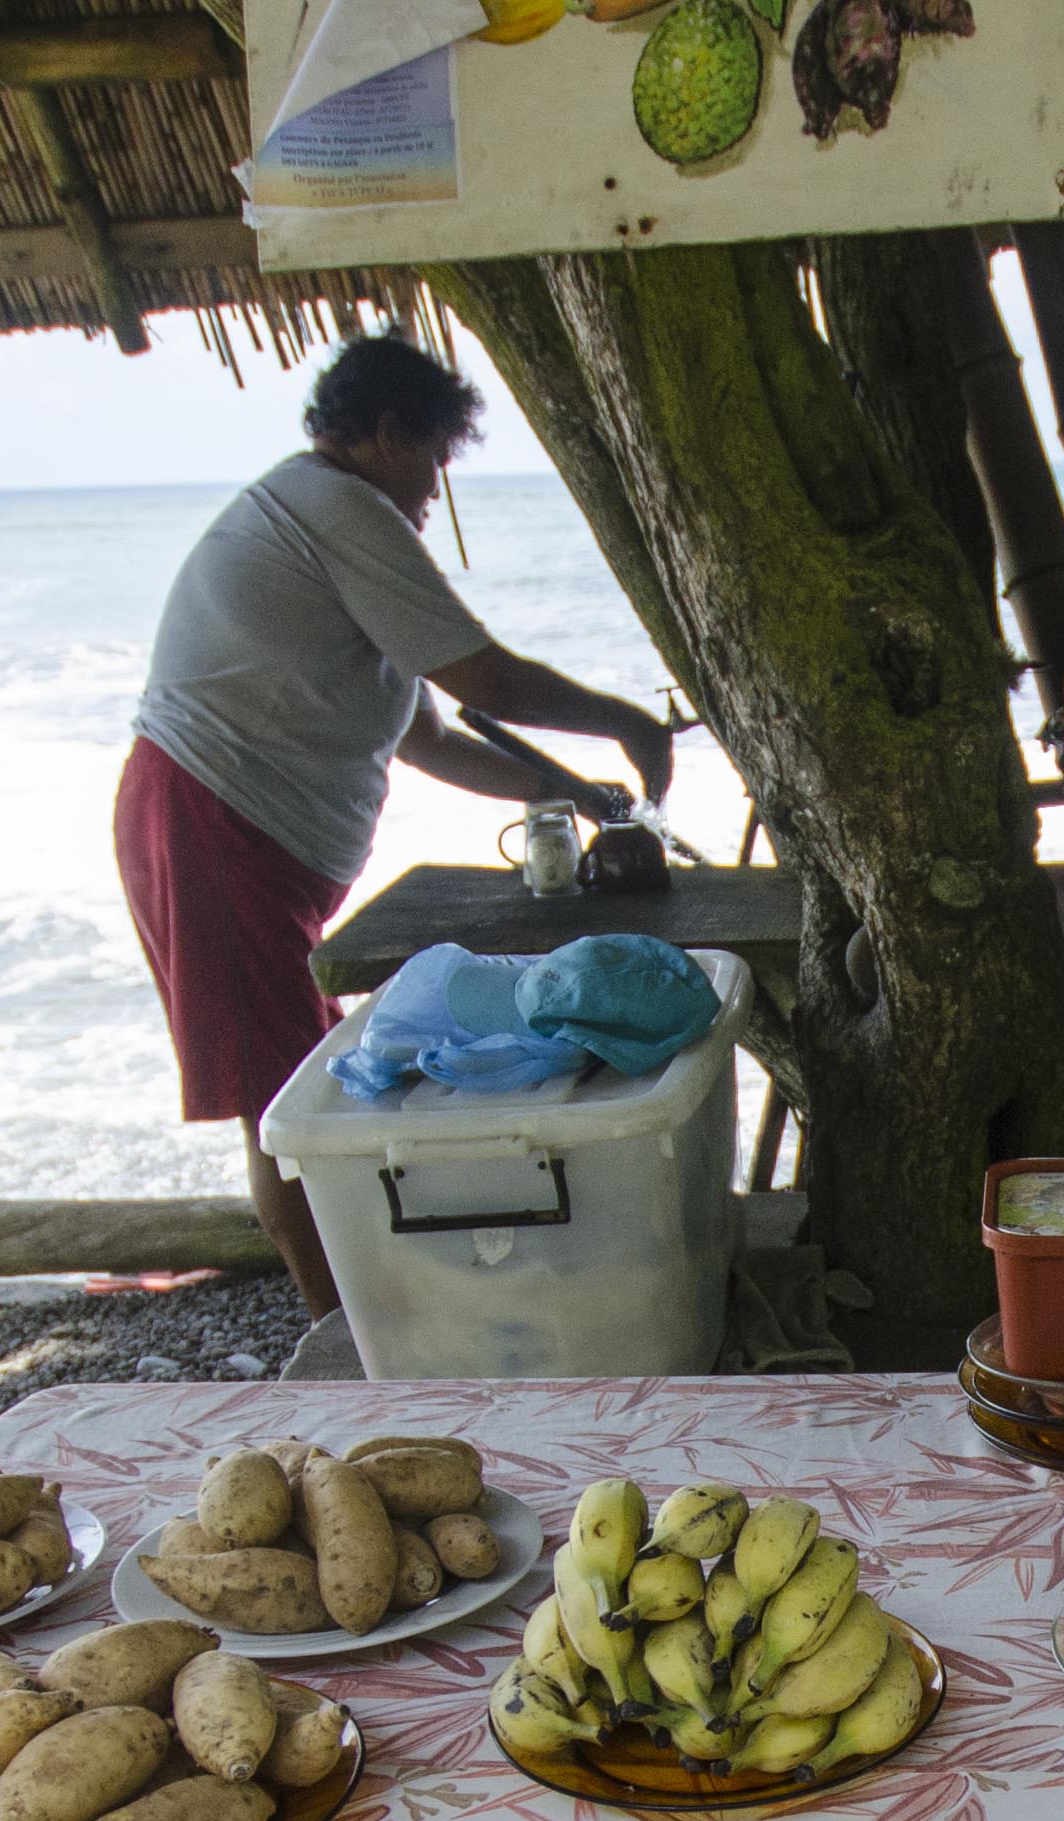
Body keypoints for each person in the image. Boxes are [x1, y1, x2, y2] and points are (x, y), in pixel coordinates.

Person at [117, 335, 678, 1315]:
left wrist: (572, 792)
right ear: (385, 434)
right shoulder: (337, 508)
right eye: (433, 461)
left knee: (301, 1075)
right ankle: (348, 1337)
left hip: (236, 834)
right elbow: (486, 681)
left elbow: (427, 739)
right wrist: (626, 720)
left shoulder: (312, 512)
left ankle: (369, 1305)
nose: (433, 491)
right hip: (211, 823)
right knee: (286, 1104)